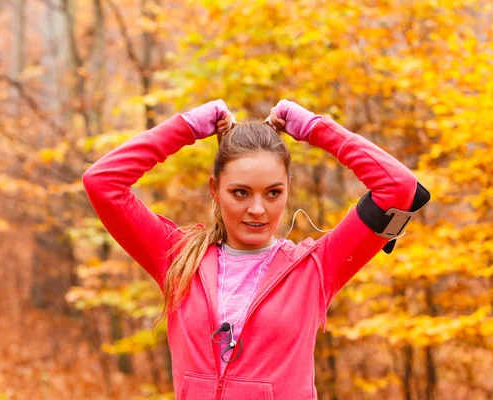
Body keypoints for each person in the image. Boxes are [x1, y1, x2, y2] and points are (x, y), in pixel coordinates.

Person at [82, 99, 420, 399]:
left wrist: (314, 128)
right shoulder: (178, 258)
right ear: (215, 190)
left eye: (273, 193)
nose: (258, 209)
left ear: (288, 189)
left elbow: (398, 187)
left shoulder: (315, 267)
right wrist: (186, 126)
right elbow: (102, 183)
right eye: (240, 193)